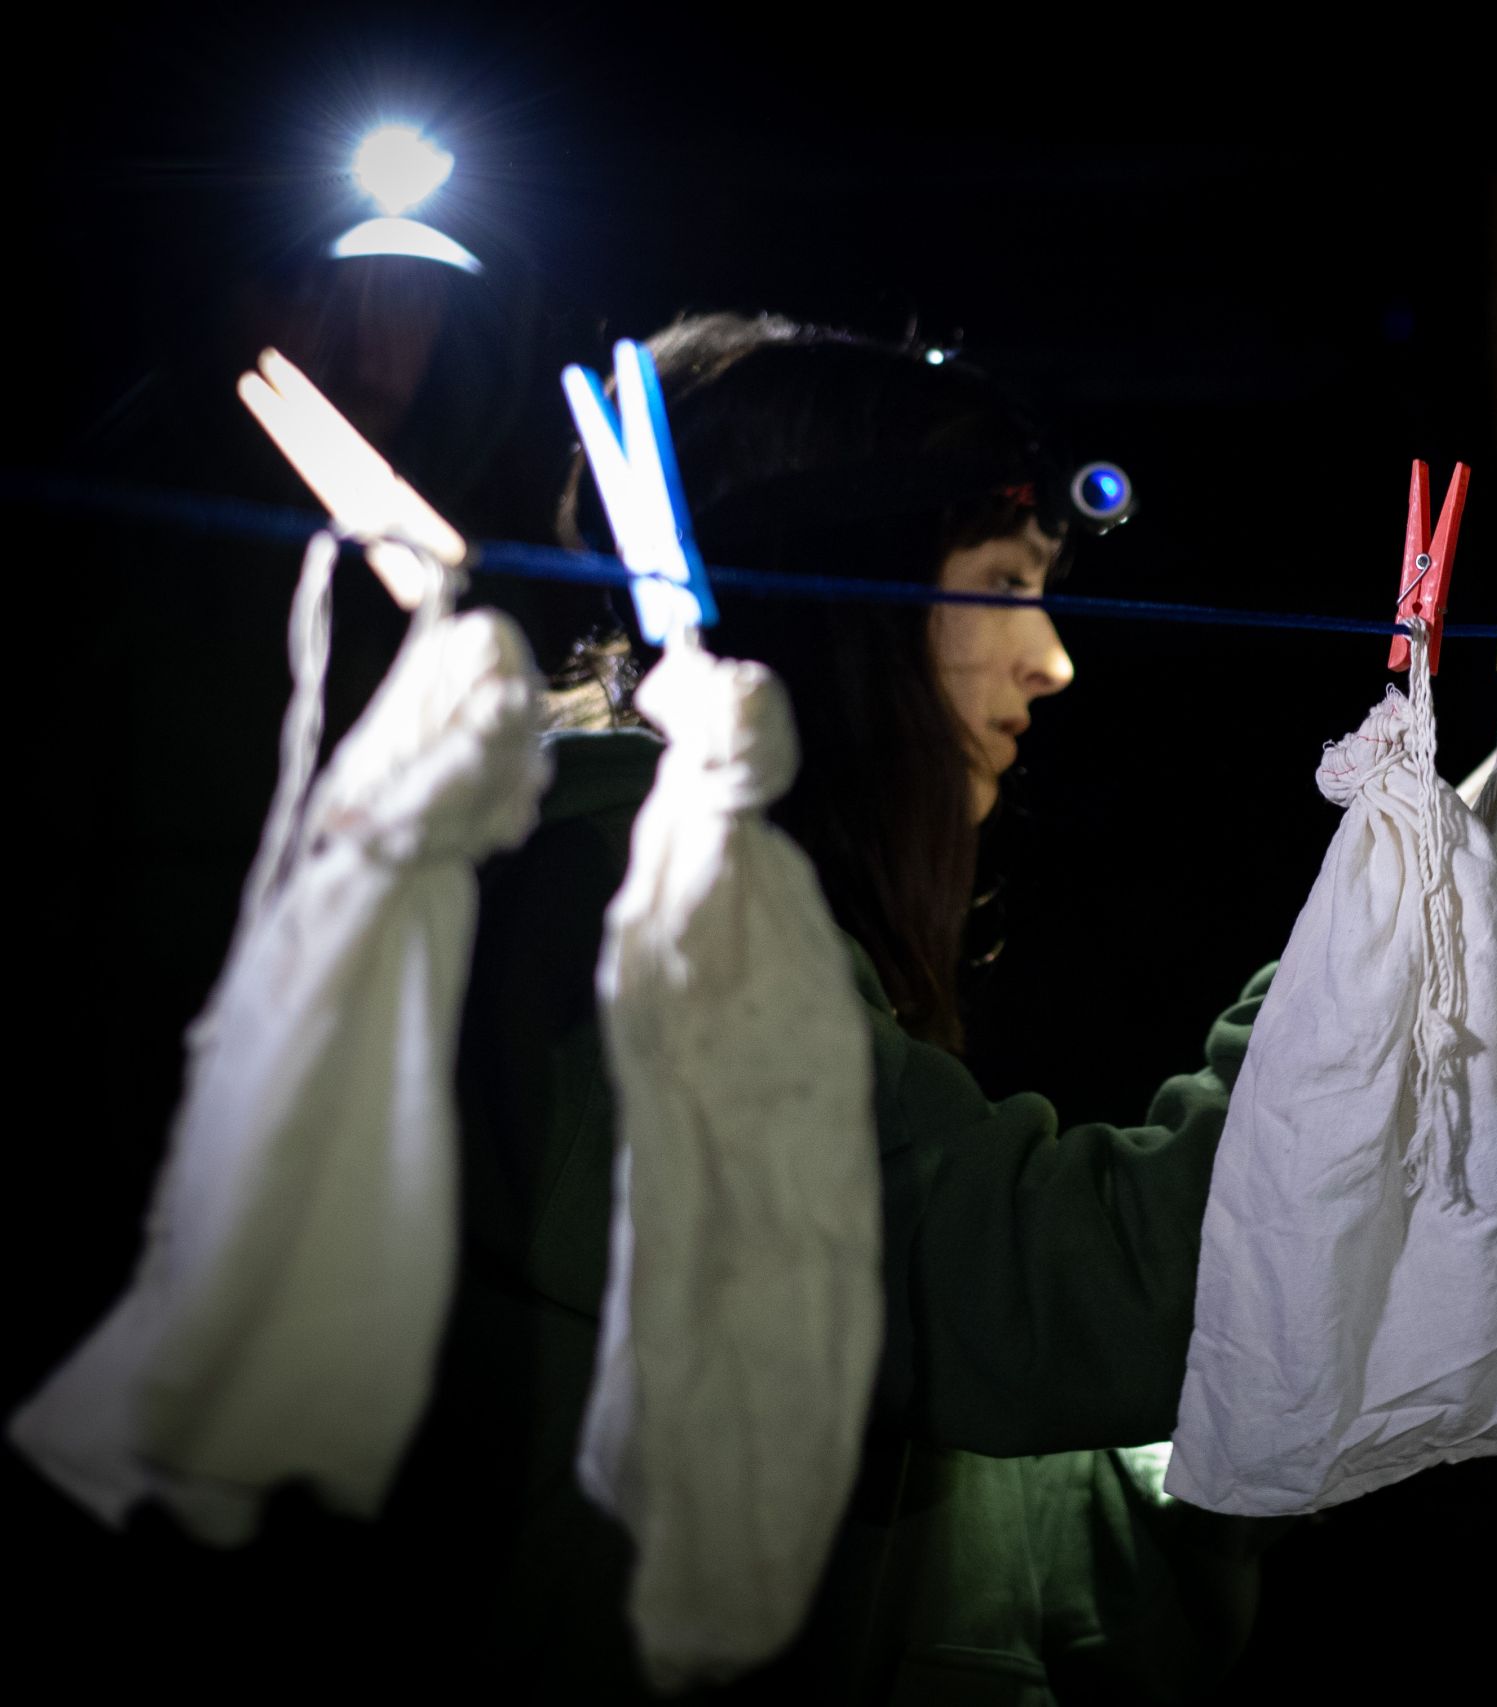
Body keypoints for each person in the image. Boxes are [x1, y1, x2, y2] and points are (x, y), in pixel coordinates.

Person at [385, 311, 1280, 1702]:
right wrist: (1377, 984)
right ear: (834, 604)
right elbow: (1007, 1302)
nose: (1053, 662)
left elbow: (995, 1544)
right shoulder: (633, 904)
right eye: (997, 584)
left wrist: (1258, 1412)